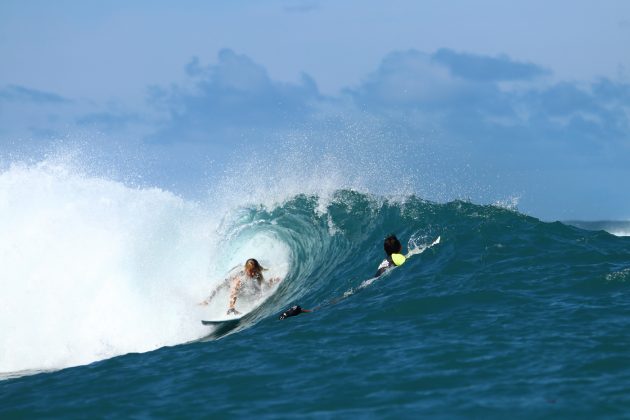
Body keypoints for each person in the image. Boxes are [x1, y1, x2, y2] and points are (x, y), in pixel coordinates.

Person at [200, 258, 280, 315]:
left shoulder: (256, 273)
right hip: (227, 285)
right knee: (237, 283)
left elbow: (262, 284)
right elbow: (228, 288)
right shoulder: (240, 274)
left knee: (257, 290)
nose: (253, 274)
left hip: (242, 287)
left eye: (254, 271)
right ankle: (208, 302)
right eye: (251, 272)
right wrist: (231, 307)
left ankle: (272, 281)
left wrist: (272, 282)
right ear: (246, 269)